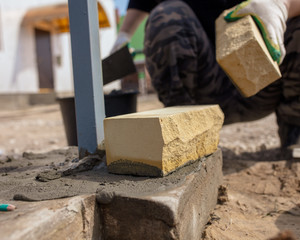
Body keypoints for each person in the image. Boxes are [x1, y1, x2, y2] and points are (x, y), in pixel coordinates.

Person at [111, 0, 300, 156]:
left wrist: (282, 5)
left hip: (264, 82)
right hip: (204, 89)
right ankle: (183, 135)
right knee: (167, 16)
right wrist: (124, 36)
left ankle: (295, 135)